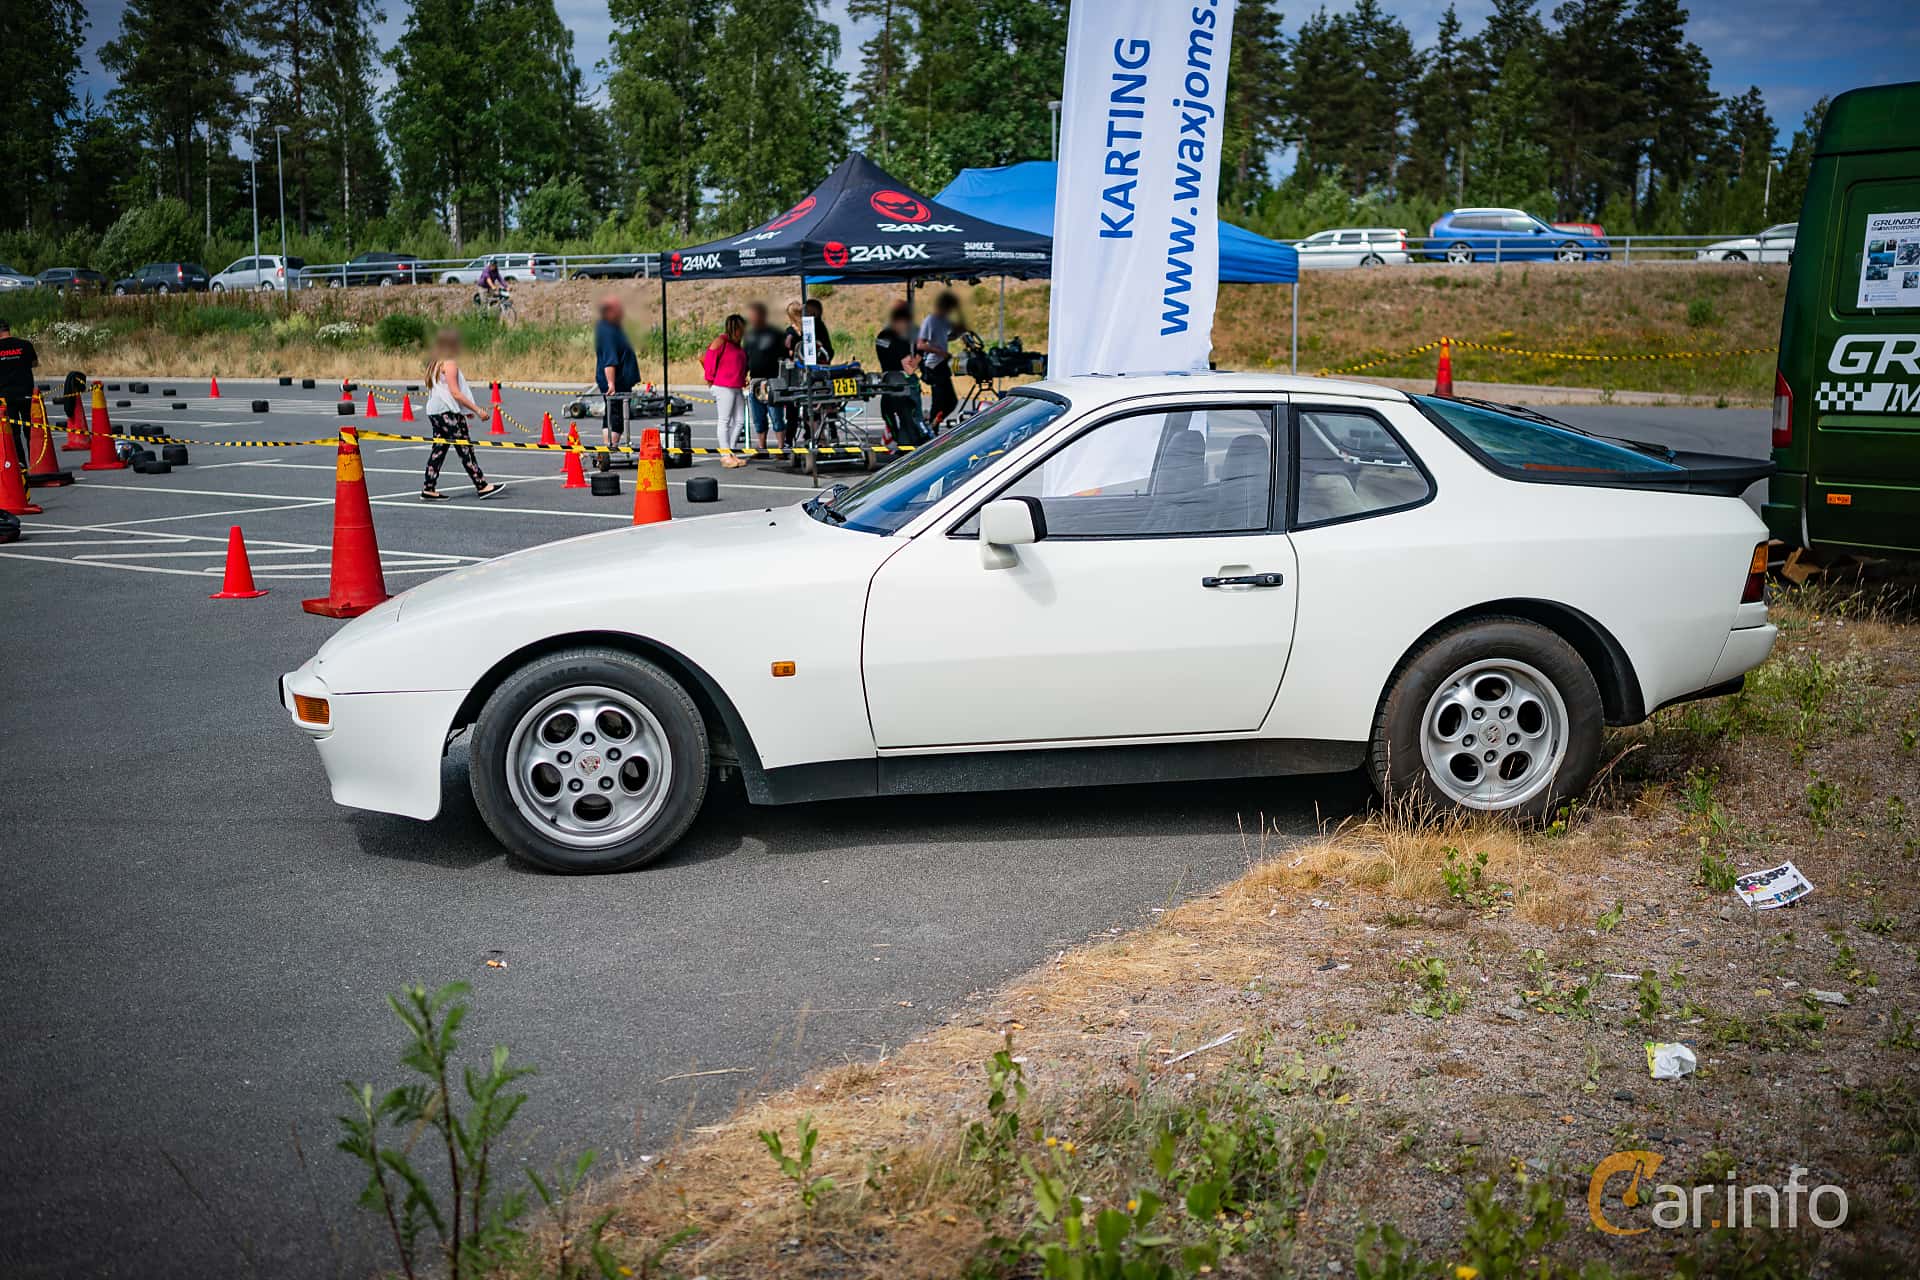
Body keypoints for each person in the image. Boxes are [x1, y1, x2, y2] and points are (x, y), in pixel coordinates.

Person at [420, 328, 505, 502]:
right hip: (447, 412)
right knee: (465, 448)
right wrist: (476, 409)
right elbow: (455, 392)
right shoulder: (449, 363)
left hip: (435, 412)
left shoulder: (434, 363)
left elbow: (444, 391)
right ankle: (482, 485)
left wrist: (463, 411)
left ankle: (429, 487)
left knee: (439, 449)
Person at [873, 301, 927, 447]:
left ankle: (904, 442)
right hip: (899, 382)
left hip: (892, 381)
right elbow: (909, 367)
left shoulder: (885, 335)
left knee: (897, 414)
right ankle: (911, 441)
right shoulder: (894, 337)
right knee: (906, 416)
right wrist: (918, 356)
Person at [594, 294, 640, 461]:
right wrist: (611, 383)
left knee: (614, 413)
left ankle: (610, 446)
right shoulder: (608, 332)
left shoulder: (612, 329)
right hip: (615, 382)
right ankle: (610, 447)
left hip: (620, 380)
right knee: (616, 415)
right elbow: (610, 360)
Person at [702, 313, 750, 469]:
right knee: (725, 420)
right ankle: (725, 455)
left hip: (736, 386)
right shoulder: (721, 341)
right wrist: (710, 380)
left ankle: (731, 451)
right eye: (741, 329)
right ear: (735, 328)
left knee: (740, 421)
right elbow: (709, 359)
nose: (743, 332)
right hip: (723, 386)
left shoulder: (737, 345)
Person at [742, 301, 786, 452]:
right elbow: (745, 357)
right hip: (755, 380)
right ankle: (762, 447)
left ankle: (781, 448)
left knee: (776, 416)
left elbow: (784, 355)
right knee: (758, 417)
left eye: (755, 315)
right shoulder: (749, 336)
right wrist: (743, 374)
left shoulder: (775, 334)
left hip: (772, 381)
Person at [917, 290, 965, 426]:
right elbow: (921, 344)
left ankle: (935, 422)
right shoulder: (930, 320)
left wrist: (959, 327)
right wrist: (939, 351)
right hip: (933, 365)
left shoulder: (944, 321)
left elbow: (950, 336)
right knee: (939, 401)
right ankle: (932, 426)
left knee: (951, 401)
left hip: (942, 364)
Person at [0, 318, 37, 467]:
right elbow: (34, 363)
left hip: (6, 396)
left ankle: (21, 464)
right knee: (31, 430)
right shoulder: (25, 345)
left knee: (14, 432)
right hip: (26, 393)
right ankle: (36, 462)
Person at [803, 297, 835, 364]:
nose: (804, 313)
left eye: (806, 311)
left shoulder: (816, 324)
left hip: (821, 359)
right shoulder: (817, 324)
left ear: (813, 313)